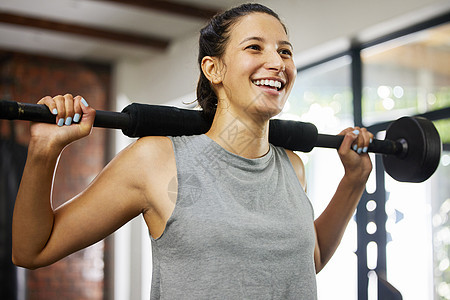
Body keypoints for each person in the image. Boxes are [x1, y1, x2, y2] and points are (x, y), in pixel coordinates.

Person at [12, 3, 373, 299]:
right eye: (254, 47)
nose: (277, 62)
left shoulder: (292, 166)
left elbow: (310, 261)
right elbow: (32, 250)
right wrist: (44, 151)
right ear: (213, 69)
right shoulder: (156, 160)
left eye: (285, 51)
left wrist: (353, 181)